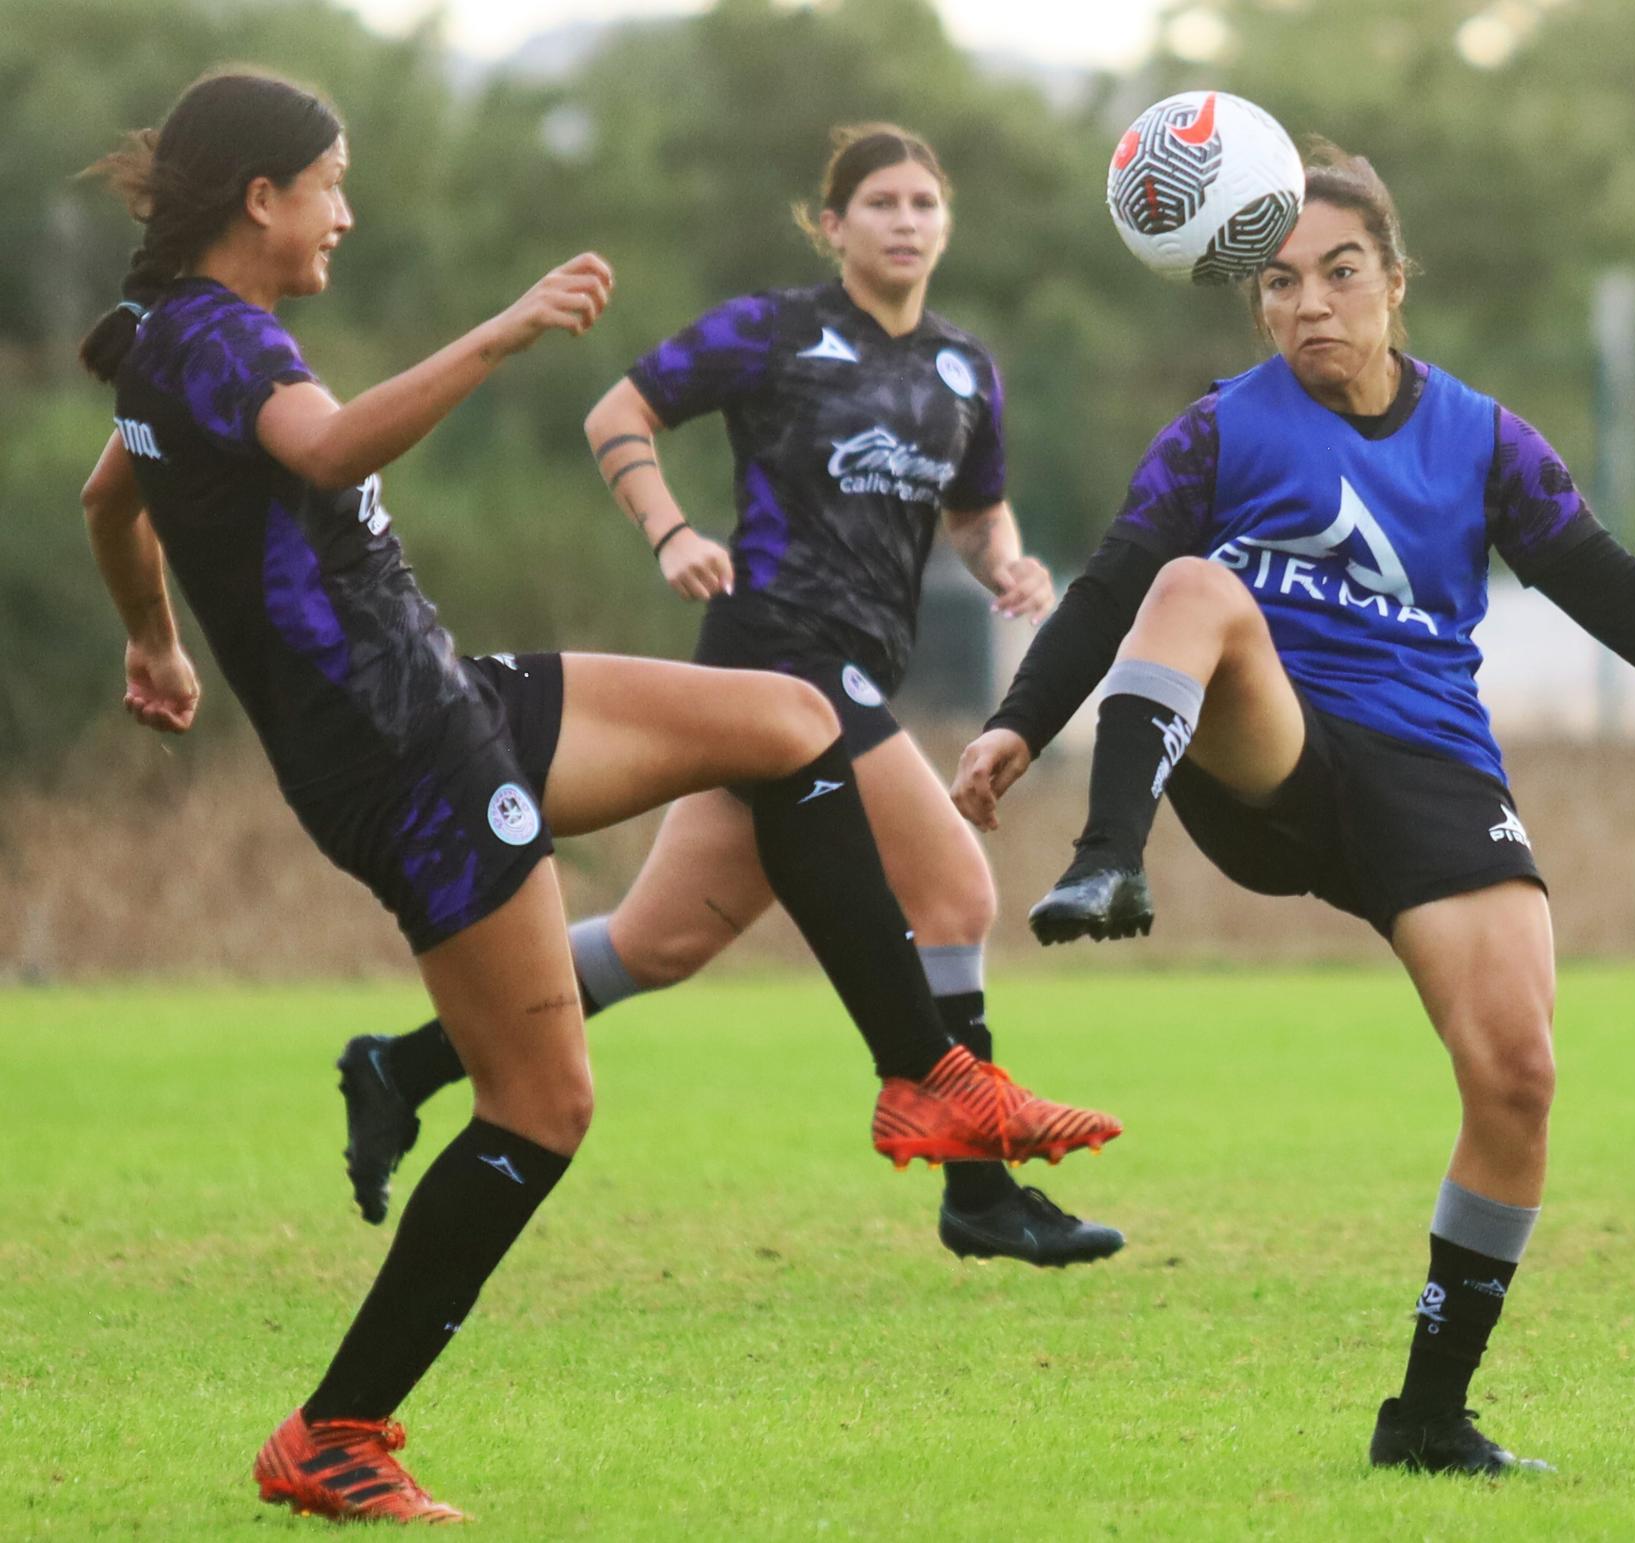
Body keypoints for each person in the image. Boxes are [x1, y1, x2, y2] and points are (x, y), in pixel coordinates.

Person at [78, 74, 1117, 1523]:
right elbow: (320, 448)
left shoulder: (175, 350)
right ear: (260, 197)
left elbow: (109, 498)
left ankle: (928, 1078)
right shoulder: (220, 337)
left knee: (789, 717)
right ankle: (334, 1430)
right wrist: (502, 331)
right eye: (331, 184)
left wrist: (153, 634)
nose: (346, 212)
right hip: (399, 751)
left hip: (440, 694)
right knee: (543, 1103)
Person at [951, 145, 1635, 1475]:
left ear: (1396, 283)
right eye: (1281, 283)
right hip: (1266, 752)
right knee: (1194, 590)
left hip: (1430, 767)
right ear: (1258, 304)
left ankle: (1429, 1414)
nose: (1311, 304)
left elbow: (1611, 586)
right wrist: (1013, 727)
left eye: (1341, 273)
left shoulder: (1483, 437)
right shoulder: (1223, 426)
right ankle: (1110, 854)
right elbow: (1109, 589)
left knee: (1518, 1073)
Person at [339, 124, 1124, 1268]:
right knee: (950, 888)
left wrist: (1001, 560)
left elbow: (974, 508)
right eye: (881, 203)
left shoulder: (963, 369)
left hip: (847, 671)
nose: (906, 220)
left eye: (924, 203)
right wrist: (667, 531)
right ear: (833, 224)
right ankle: (979, 1188)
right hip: (778, 652)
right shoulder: (774, 330)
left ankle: (397, 1067)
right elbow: (616, 411)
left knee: (659, 944)